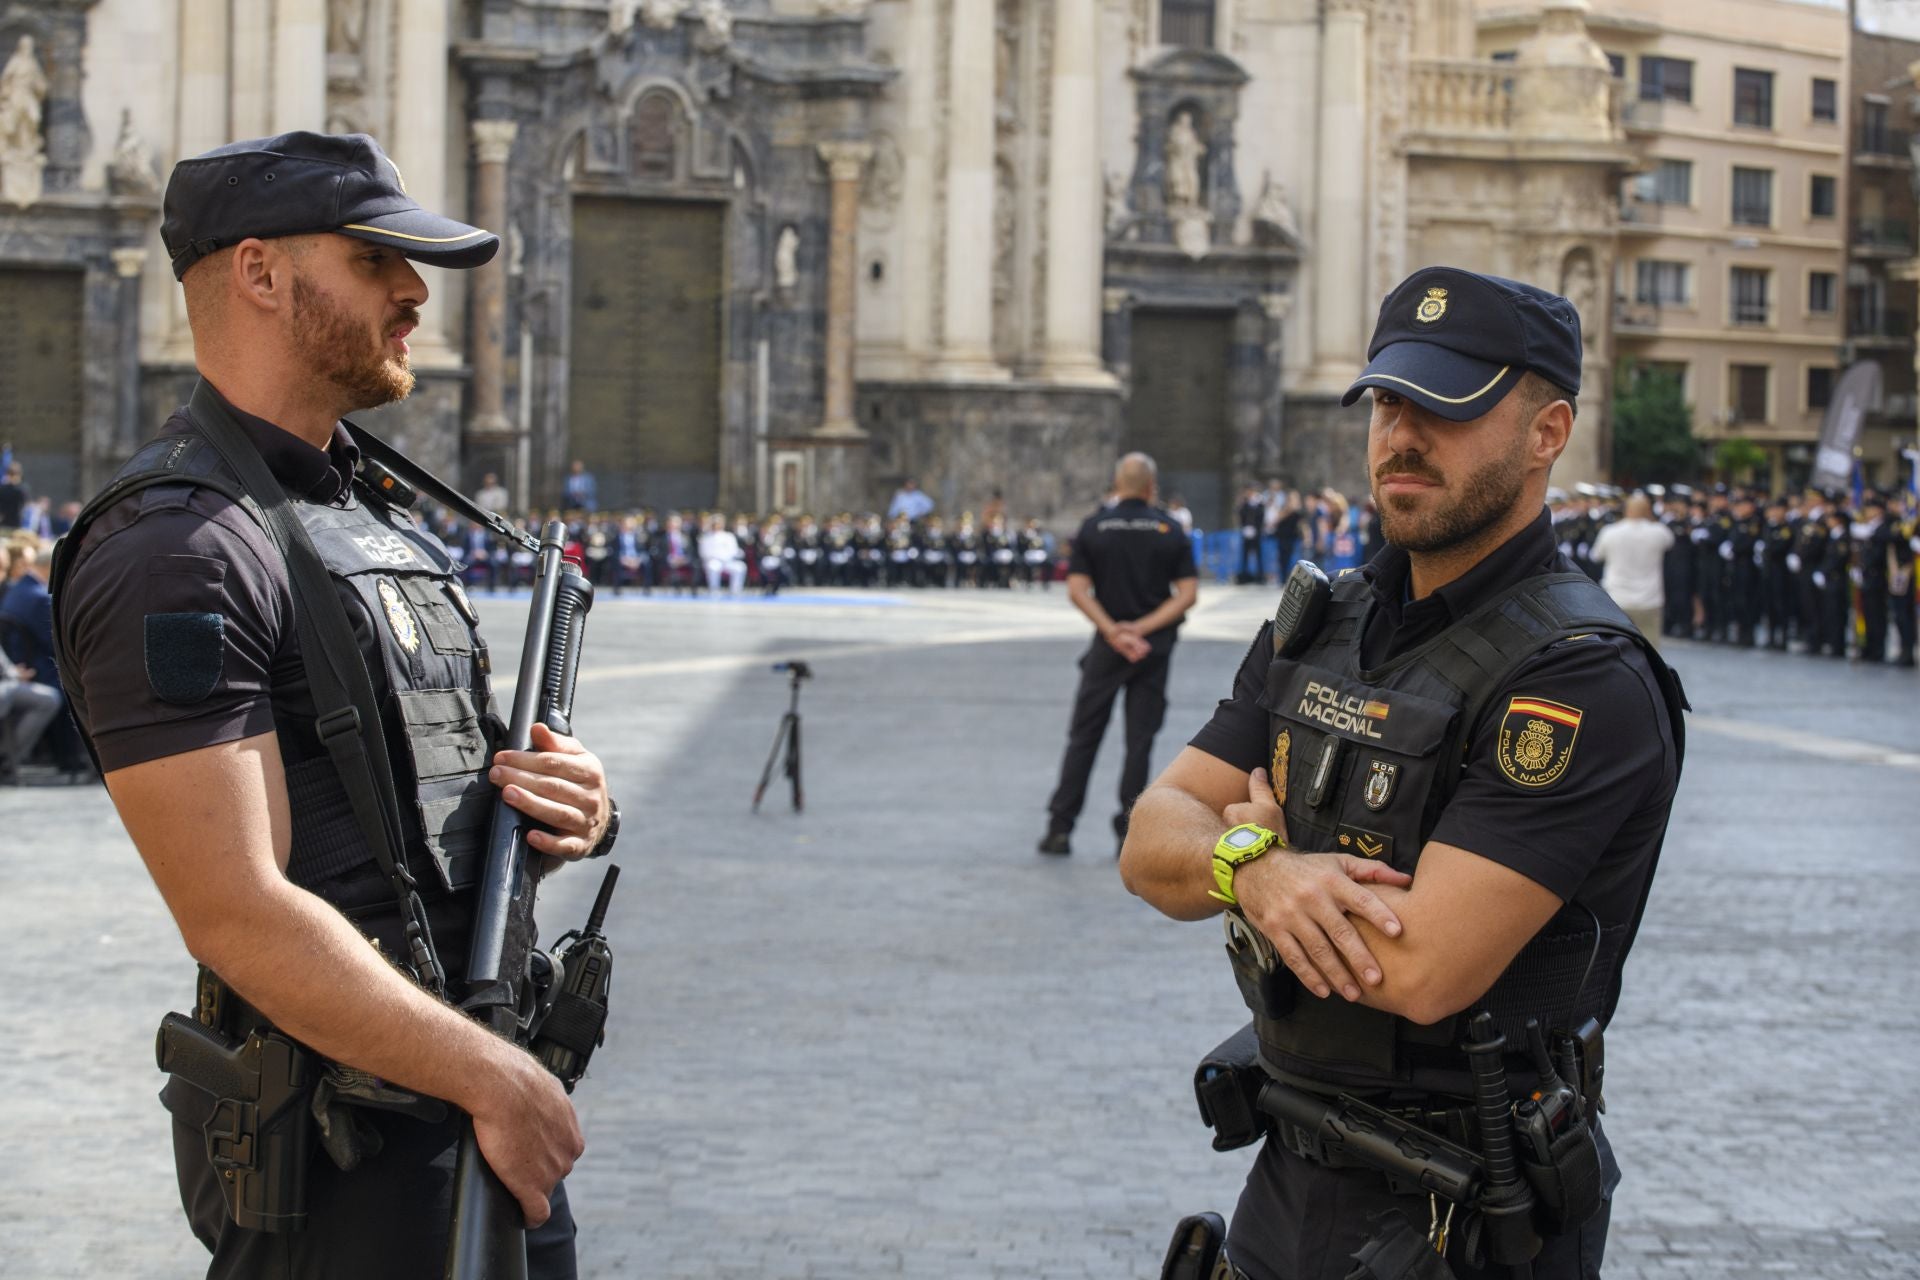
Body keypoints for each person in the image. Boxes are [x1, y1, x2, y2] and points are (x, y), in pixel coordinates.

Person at [48, 132, 612, 1280]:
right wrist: (488, 1075)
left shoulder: (369, 510)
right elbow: (240, 910)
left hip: (469, 1111)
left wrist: (552, 811)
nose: (415, 293)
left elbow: (398, 824)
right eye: (375, 262)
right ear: (259, 273)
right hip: (351, 1159)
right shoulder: (179, 545)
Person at [1119, 267, 1684, 1280]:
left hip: (1470, 1215)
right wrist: (1256, 864)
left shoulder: (1579, 676)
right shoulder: (1325, 620)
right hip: (1287, 1174)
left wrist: (1255, 844)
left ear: (1547, 432)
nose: (1401, 434)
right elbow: (1150, 839)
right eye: (1387, 400)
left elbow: (1420, 968)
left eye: (1446, 406)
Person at [1039, 453, 1198, 856]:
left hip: (1106, 651)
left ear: (1116, 484)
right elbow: (1187, 594)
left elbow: (1076, 589)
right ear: (1151, 487)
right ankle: (1126, 833)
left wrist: (1113, 631)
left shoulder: (1095, 527)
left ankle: (1060, 827)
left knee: (1083, 738)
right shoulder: (1169, 529)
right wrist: (1141, 630)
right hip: (1153, 650)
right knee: (1139, 743)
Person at [1588, 492, 1674, 647]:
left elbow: (1596, 555)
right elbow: (1670, 542)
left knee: (1615, 646)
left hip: (1617, 596)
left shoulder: (1610, 532)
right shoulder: (1659, 532)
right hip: (1649, 598)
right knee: (1651, 647)